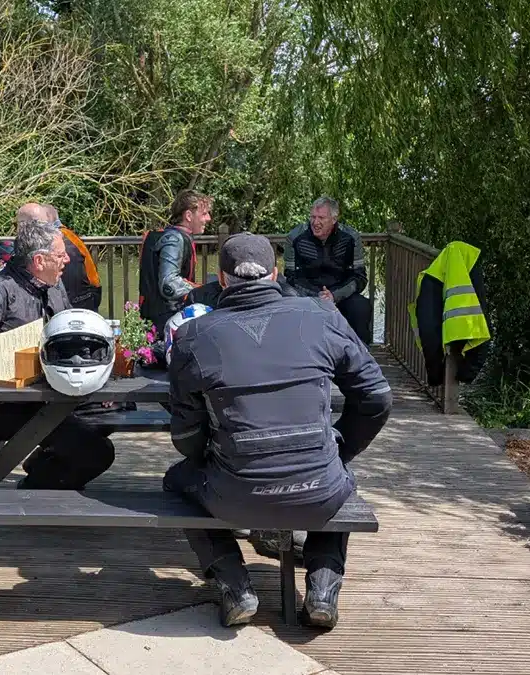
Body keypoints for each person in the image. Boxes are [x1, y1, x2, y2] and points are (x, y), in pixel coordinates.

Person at [163, 232, 393, 629]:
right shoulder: (322, 316)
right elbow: (376, 397)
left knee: (175, 481)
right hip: (318, 492)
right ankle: (322, 586)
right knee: (341, 478)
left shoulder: (193, 337)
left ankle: (234, 584)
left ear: (221, 279)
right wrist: (342, 448)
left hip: (234, 496)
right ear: (274, 274)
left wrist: (211, 456)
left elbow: (185, 436)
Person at [0, 204, 116, 489]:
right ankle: (32, 488)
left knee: (113, 416)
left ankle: (40, 463)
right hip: (11, 404)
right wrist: (19, 351)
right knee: (99, 453)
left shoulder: (55, 285)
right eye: (60, 256)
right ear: (39, 261)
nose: (67, 261)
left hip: (54, 394)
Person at [283, 197, 373, 345]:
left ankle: (361, 358)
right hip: (307, 294)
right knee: (287, 300)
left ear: (334, 219)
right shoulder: (294, 237)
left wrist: (334, 295)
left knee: (361, 307)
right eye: (312, 217)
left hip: (341, 293)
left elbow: (360, 278)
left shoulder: (351, 237)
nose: (315, 222)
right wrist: (317, 296)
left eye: (321, 218)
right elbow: (291, 277)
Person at [137, 189, 211, 335]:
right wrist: (203, 291)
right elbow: (169, 285)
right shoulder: (174, 240)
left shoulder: (171, 236)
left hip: (156, 317)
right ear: (189, 216)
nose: (208, 218)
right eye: (204, 214)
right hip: (164, 320)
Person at [44, 204, 102, 312]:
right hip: (89, 293)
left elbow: (71, 281)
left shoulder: (62, 241)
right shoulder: (68, 234)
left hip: (83, 298)